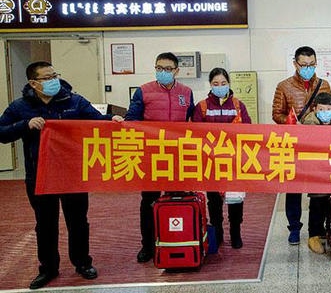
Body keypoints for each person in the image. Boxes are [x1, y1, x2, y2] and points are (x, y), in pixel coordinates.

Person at [0, 61, 123, 289]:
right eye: (47, 78)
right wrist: (25, 125)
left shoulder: (74, 101)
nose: (53, 80)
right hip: (40, 175)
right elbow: (2, 132)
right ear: (33, 83)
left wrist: (112, 120)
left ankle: (82, 263)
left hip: (72, 174)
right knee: (45, 224)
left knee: (78, 222)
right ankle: (48, 268)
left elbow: (96, 121)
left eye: (54, 75)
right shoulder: (20, 107)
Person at [125, 52, 194, 263]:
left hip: (177, 157)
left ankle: (175, 239)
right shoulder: (143, 91)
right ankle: (147, 245)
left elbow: (193, 122)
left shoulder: (186, 92)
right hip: (152, 156)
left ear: (176, 71)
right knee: (149, 201)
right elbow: (131, 120)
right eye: (159, 68)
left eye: (167, 69)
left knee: (177, 199)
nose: (163, 72)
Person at [272, 46, 331, 245]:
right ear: (295, 64)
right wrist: (291, 123)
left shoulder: (324, 85)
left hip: (318, 146)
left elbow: (329, 109)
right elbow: (276, 114)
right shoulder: (284, 86)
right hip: (294, 145)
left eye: (312, 65)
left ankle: (318, 227)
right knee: (294, 188)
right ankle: (294, 228)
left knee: (320, 187)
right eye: (304, 65)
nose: (308, 68)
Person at [192, 67, 251, 250]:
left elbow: (249, 131)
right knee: (214, 201)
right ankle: (217, 233)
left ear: (229, 84)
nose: (220, 86)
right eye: (216, 83)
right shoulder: (202, 107)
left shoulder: (238, 105)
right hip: (211, 162)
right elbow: (195, 133)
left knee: (236, 199)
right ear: (210, 85)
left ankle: (236, 233)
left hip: (233, 162)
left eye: (223, 83)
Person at [301, 92, 331, 253]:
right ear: (315, 109)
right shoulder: (309, 124)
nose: (325, 112)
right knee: (317, 203)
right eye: (321, 109)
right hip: (316, 171)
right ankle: (314, 235)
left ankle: (328, 231)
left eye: (329, 109)